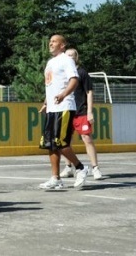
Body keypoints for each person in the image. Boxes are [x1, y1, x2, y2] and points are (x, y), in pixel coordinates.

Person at [38, 35, 88, 190]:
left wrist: (63, 94)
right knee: (50, 144)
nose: (50, 44)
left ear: (62, 45)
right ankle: (56, 178)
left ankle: (80, 168)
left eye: (54, 41)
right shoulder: (50, 63)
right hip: (52, 108)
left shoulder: (67, 60)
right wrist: (47, 102)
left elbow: (74, 79)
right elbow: (51, 84)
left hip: (64, 106)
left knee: (61, 142)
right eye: (50, 41)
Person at [61, 48, 103, 181]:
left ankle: (95, 168)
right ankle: (68, 167)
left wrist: (90, 112)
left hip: (81, 111)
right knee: (65, 141)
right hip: (67, 111)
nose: (69, 57)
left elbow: (89, 92)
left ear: (76, 57)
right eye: (67, 55)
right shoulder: (62, 73)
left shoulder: (82, 73)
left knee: (87, 139)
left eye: (72, 55)